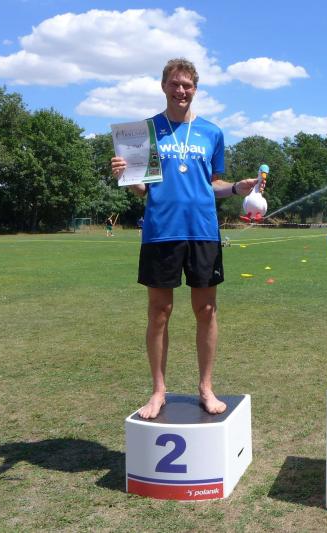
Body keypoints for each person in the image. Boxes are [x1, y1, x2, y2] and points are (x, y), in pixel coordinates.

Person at [111, 58, 264, 419]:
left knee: (206, 310)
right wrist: (125, 176)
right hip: (161, 231)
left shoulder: (212, 132)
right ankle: (158, 391)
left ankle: (206, 387)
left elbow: (214, 184)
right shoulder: (146, 132)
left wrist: (236, 188)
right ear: (163, 86)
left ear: (195, 89)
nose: (181, 91)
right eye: (175, 84)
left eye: (187, 85)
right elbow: (141, 189)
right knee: (159, 312)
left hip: (202, 230)